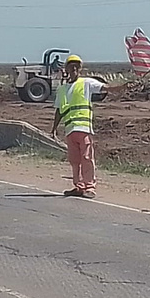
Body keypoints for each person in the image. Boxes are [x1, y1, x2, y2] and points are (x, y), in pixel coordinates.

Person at [51, 54, 126, 198]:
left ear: (80, 69)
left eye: (76, 66)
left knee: (87, 158)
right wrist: (54, 129)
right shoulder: (62, 90)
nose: (74, 68)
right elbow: (59, 110)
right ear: (66, 68)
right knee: (74, 160)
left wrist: (121, 87)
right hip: (70, 130)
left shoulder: (86, 83)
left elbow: (106, 88)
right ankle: (78, 186)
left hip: (84, 128)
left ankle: (89, 187)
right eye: (71, 65)